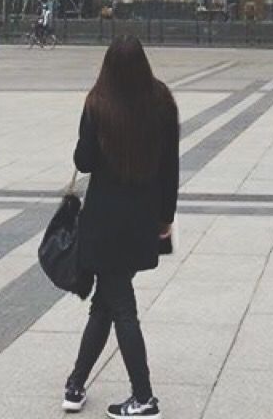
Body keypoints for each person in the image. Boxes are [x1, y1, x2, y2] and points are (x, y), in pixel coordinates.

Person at [63, 36, 178, 418]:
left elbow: (85, 161)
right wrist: (166, 218)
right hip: (142, 218)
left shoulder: (98, 102)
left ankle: (144, 397)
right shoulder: (162, 101)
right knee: (105, 303)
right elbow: (171, 169)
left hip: (104, 221)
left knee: (120, 308)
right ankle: (76, 384)